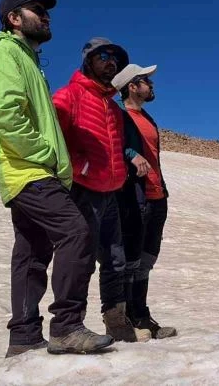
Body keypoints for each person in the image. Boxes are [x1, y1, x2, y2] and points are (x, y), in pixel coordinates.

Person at [0, 0, 113, 357]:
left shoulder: (27, 60)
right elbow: (7, 115)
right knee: (76, 232)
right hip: (28, 168)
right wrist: (49, 155)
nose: (46, 17)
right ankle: (67, 326)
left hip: (27, 169)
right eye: (37, 11)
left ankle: (23, 336)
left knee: (31, 252)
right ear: (14, 19)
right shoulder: (4, 53)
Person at [52, 38, 138, 342]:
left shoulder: (113, 108)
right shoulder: (68, 96)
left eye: (115, 58)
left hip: (110, 194)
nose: (111, 62)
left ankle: (116, 323)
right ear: (87, 60)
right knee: (81, 258)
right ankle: (69, 325)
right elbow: (54, 141)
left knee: (115, 260)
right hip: (83, 191)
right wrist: (81, 168)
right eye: (103, 56)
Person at [112, 63, 177, 339]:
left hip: (156, 196)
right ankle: (128, 319)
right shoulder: (119, 115)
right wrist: (129, 153)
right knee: (132, 259)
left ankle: (141, 315)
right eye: (145, 81)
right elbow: (113, 144)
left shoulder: (147, 118)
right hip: (135, 197)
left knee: (146, 260)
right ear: (131, 86)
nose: (151, 85)